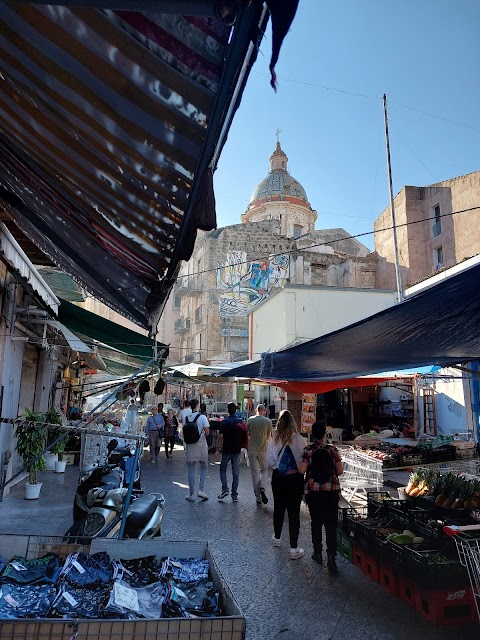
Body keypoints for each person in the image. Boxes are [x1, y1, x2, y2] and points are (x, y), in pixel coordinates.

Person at [298, 420, 344, 572]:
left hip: (314, 492)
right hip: (331, 492)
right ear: (324, 434)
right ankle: (331, 557)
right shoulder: (332, 450)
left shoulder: (308, 450)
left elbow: (302, 470)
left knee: (316, 523)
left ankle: (317, 553)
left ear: (312, 433)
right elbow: (340, 471)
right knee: (331, 525)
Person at [267, 410, 307, 560]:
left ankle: (277, 538)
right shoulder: (300, 440)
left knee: (278, 508)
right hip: (295, 480)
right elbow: (305, 459)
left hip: (278, 478)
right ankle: (294, 548)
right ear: (292, 423)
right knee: (294, 512)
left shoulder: (273, 440)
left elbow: (270, 462)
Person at [215, 402, 247, 502]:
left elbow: (220, 437)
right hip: (237, 450)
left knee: (223, 469)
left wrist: (217, 449)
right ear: (236, 410)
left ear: (227, 410)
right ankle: (234, 494)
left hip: (226, 450)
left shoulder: (224, 422)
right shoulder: (240, 421)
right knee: (236, 472)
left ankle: (225, 488)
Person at [184, 398, 210, 502]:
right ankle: (201, 490)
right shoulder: (202, 417)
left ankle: (191, 494)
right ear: (198, 406)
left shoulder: (187, 418)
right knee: (204, 467)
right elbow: (207, 432)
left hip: (190, 445)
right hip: (201, 444)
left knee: (191, 468)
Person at [247, 404, 272, 506]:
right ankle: (262, 487)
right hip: (263, 449)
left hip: (252, 449)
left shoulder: (250, 420)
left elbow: (247, 434)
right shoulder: (268, 421)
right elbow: (268, 437)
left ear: (256, 410)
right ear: (264, 411)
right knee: (265, 470)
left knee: (254, 472)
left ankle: (258, 498)